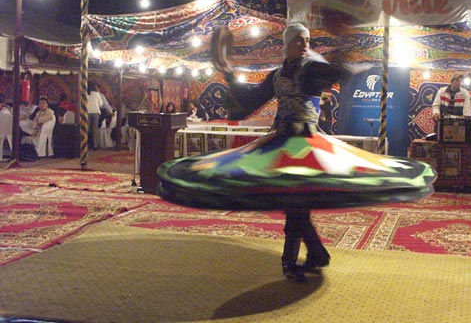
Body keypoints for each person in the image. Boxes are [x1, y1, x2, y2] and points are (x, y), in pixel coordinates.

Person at [157, 23, 436, 282]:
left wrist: (342, 39)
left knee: (296, 202)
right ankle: (312, 254)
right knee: (294, 202)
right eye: (298, 40)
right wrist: (228, 71)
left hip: (308, 144)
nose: (304, 44)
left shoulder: (312, 69)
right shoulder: (276, 76)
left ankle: (296, 259)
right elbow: (250, 100)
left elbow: (335, 70)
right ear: (287, 44)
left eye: (307, 40)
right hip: (280, 142)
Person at [87, 83, 103, 150]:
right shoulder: (96, 94)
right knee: (94, 129)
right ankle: (95, 145)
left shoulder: (84, 94)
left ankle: (85, 144)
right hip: (96, 111)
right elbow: (101, 104)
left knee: (87, 129)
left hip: (87, 112)